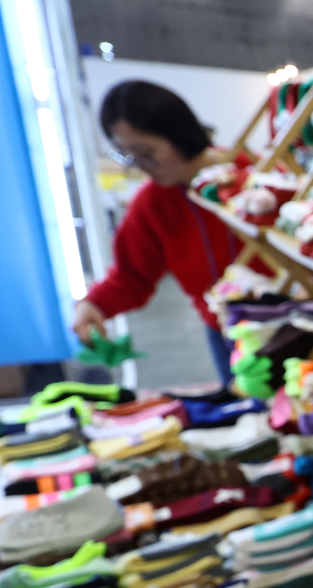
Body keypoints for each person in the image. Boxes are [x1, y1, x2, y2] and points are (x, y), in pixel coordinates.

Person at [72, 81, 251, 383]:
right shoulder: (151, 205)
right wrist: (94, 303)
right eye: (128, 156)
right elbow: (132, 275)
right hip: (225, 335)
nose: (141, 166)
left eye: (145, 152)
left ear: (177, 135)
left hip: (290, 322)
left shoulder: (251, 176)